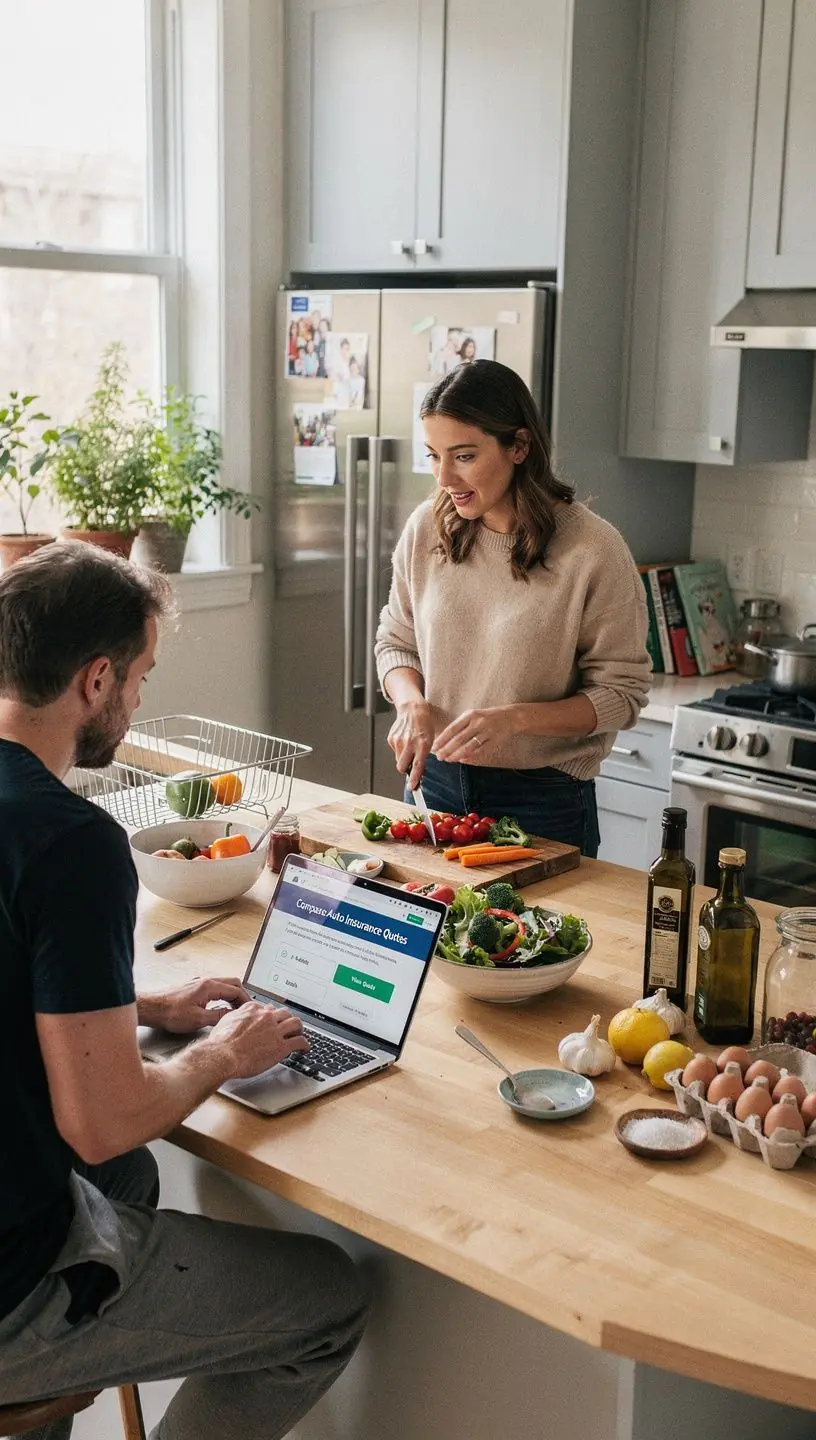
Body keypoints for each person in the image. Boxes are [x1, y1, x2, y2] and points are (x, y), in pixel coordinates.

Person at [0, 543, 368, 1439]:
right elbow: (103, 1119)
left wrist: (142, 1010)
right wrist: (220, 1052)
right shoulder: (69, 840)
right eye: (138, 679)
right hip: (6, 1291)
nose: (136, 702)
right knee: (329, 1301)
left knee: (123, 1181)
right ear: (95, 679)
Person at [374, 360, 651, 856]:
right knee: (436, 930)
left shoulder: (593, 550)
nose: (444, 477)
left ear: (519, 446)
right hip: (433, 784)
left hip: (544, 798)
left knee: (543, 936)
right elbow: (396, 643)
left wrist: (516, 719)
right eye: (434, 455)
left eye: (463, 456)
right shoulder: (426, 529)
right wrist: (411, 702)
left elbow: (620, 696)